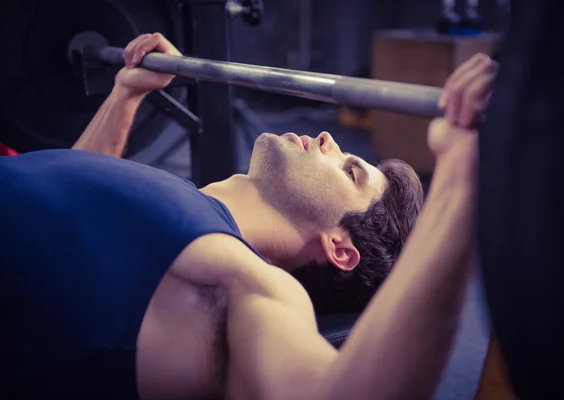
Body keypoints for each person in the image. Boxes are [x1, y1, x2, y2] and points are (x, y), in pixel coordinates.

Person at [0, 32, 497, 399]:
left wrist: (459, 176)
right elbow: (70, 202)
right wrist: (127, 94)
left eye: (349, 170)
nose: (328, 140)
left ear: (340, 247)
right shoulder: (183, 206)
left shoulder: (247, 283)